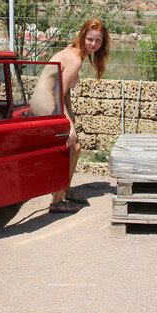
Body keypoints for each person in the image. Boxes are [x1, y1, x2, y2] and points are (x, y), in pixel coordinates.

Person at [34, 18, 110, 213]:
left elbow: (63, 89)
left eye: (98, 40)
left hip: (49, 100)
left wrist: (71, 115)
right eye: (90, 39)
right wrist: (69, 125)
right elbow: (58, 93)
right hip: (46, 103)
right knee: (71, 147)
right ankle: (57, 201)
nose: (93, 44)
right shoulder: (75, 59)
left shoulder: (76, 52)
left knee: (75, 147)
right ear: (83, 35)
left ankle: (65, 191)